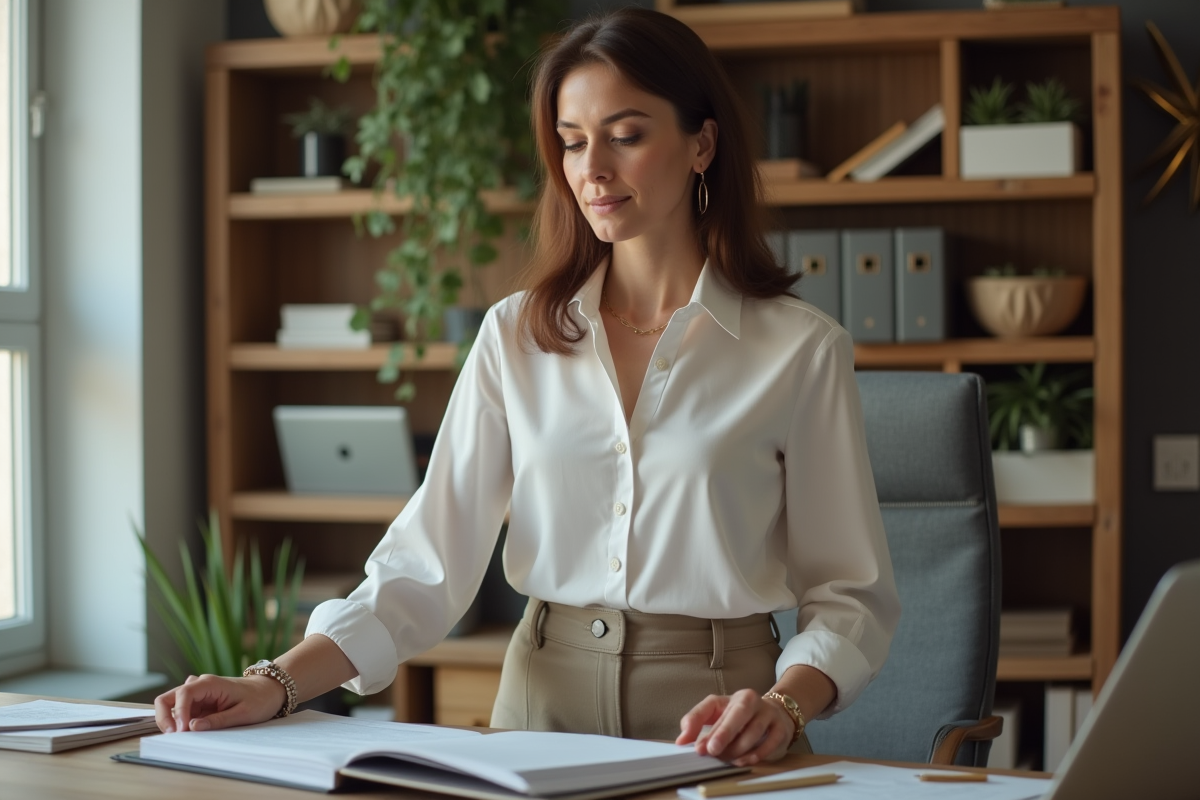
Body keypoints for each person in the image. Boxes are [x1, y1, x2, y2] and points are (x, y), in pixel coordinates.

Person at [155, 8, 900, 767]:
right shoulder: (515, 335)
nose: (592, 169)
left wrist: (783, 704)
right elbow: (424, 565)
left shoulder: (801, 349)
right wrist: (274, 683)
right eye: (572, 142)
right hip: (540, 706)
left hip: (719, 719)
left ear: (702, 143)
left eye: (625, 135)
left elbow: (850, 594)